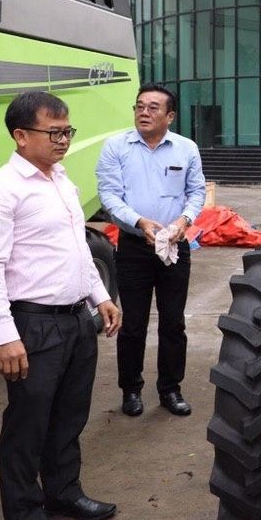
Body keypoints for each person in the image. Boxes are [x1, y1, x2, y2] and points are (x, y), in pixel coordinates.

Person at [0, 91, 122, 520]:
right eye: (53, 132)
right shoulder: (0, 190)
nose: (63, 141)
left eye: (66, 131)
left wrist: (99, 296)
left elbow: (76, 247)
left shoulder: (60, 179)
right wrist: (3, 333)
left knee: (69, 417)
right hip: (33, 325)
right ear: (20, 136)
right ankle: (23, 519)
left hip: (76, 320)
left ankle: (64, 493)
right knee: (27, 426)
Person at [96, 83, 206, 418]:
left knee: (173, 323)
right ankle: (131, 390)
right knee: (134, 325)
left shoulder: (186, 149)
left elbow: (196, 191)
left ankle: (171, 390)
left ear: (170, 116)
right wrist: (140, 222)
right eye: (139, 106)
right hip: (133, 247)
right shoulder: (117, 147)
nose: (144, 112)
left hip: (175, 246)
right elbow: (109, 196)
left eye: (153, 107)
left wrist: (184, 221)